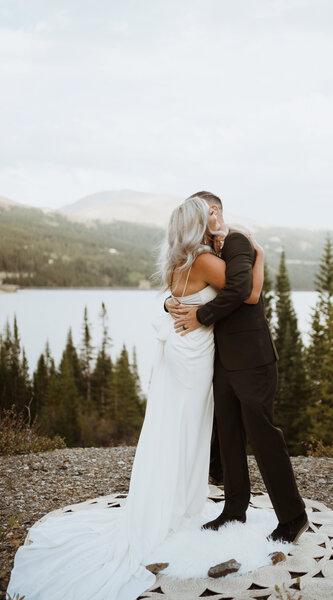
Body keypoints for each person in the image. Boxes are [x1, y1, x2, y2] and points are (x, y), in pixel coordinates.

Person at [6, 195, 265, 600]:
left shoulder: (178, 262)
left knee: (175, 428)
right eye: (207, 217)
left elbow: (174, 299)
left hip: (181, 355)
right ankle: (179, 509)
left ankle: (173, 502)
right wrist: (256, 251)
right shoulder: (202, 261)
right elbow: (246, 290)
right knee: (189, 429)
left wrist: (174, 302)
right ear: (198, 225)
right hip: (195, 357)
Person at [167, 191, 309, 544]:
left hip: (252, 358)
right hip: (222, 361)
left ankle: (293, 517)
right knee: (227, 435)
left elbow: (246, 290)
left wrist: (201, 316)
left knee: (263, 436)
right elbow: (194, 289)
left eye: (200, 215)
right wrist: (173, 305)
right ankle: (234, 509)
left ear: (212, 212)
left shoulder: (236, 240)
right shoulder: (206, 252)